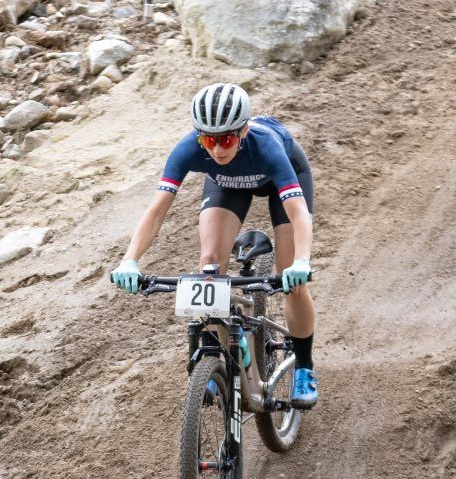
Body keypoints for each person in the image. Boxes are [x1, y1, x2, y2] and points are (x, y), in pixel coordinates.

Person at [109, 82, 318, 407]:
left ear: (244, 130)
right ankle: (214, 349)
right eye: (209, 140)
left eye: (226, 139)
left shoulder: (267, 146)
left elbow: (299, 214)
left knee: (291, 277)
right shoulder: (187, 149)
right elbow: (156, 212)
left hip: (282, 184)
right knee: (209, 263)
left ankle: (304, 366)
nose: (218, 149)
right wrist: (130, 260)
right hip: (228, 184)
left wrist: (302, 261)